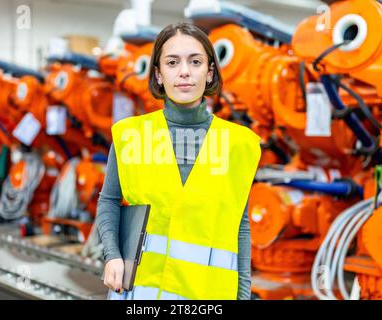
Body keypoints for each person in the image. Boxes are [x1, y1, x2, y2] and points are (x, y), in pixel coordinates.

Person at [97, 22, 261, 300]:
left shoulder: (239, 144)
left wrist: (243, 294)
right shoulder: (130, 135)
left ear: (209, 73)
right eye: (172, 62)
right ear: (159, 75)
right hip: (140, 296)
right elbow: (109, 200)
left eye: (195, 61)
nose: (184, 71)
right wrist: (111, 255)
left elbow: (240, 225)